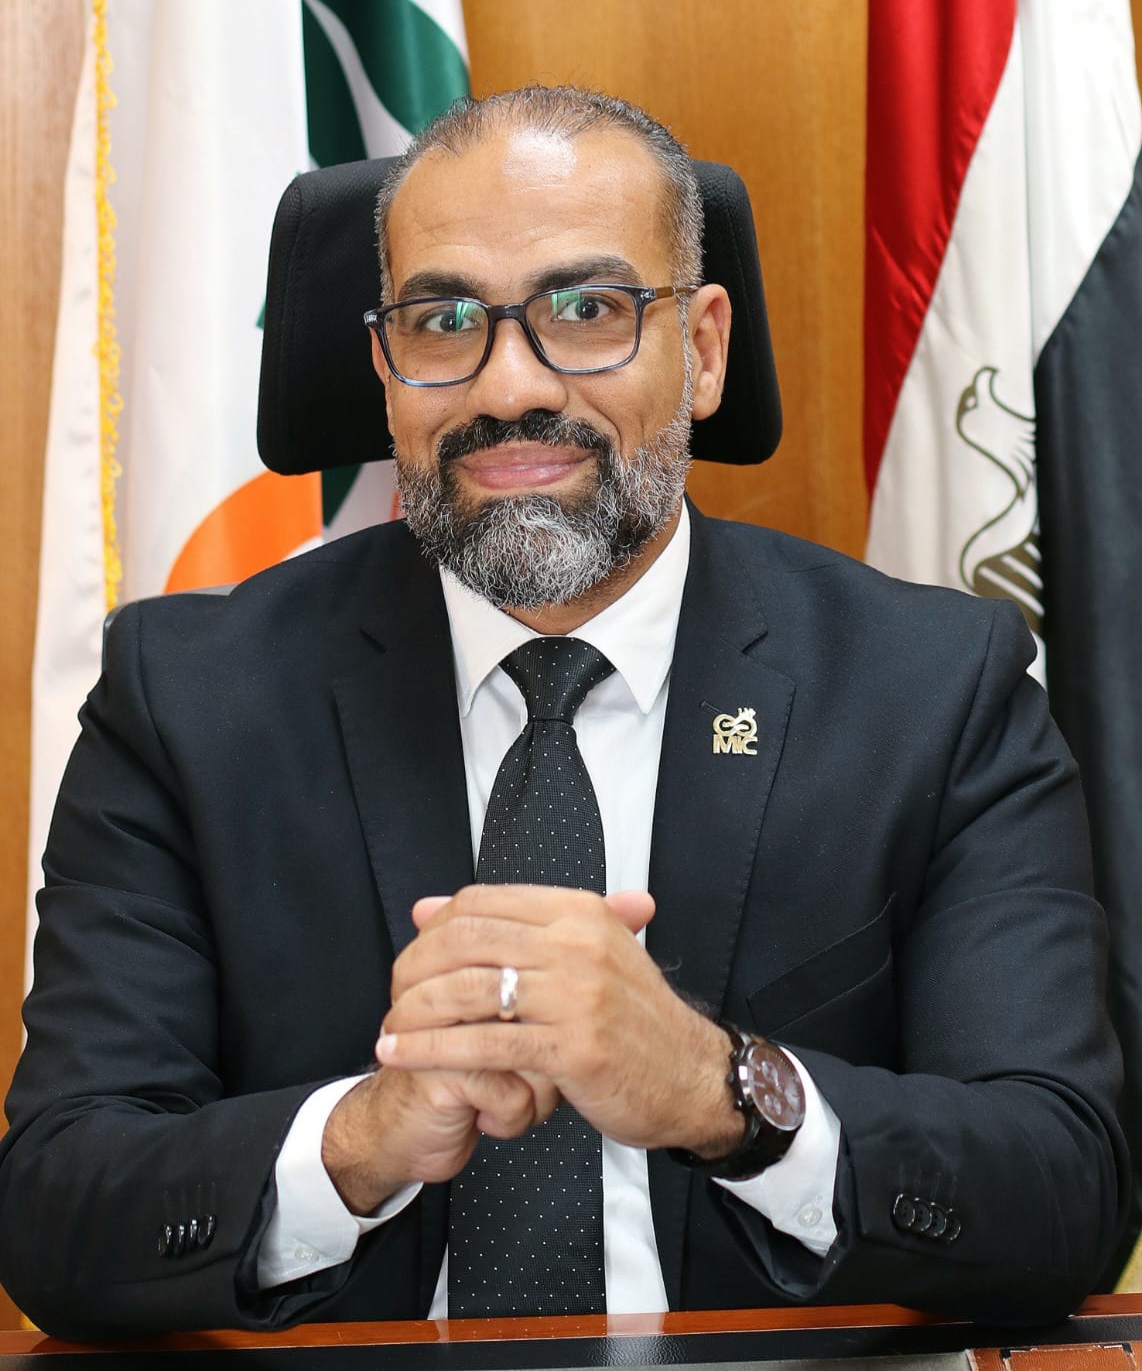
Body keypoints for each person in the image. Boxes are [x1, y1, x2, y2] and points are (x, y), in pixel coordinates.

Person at [0, 86, 1128, 1338]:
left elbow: (1061, 1187)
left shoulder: (932, 688)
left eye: (585, 310)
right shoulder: (188, 700)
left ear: (702, 349)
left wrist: (722, 1093)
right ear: (383, 369)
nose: (506, 385)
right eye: (442, 321)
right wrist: (358, 1141)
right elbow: (56, 1210)